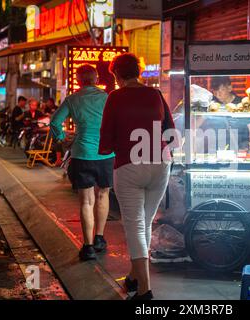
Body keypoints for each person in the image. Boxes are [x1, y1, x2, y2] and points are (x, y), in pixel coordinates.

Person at [99, 53, 176, 300]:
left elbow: (106, 136)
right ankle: (134, 277)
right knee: (144, 222)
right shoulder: (155, 95)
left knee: (134, 225)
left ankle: (145, 290)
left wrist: (106, 148)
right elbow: (171, 131)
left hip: (129, 165)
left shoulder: (115, 97)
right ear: (139, 72)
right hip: (160, 163)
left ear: (117, 75)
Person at [50, 64, 114, 261]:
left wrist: (61, 137)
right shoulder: (107, 98)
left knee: (86, 201)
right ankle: (100, 238)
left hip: (82, 154)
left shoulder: (72, 99)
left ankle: (87, 248)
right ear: (96, 79)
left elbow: (54, 121)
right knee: (103, 195)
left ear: (78, 80)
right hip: (105, 154)